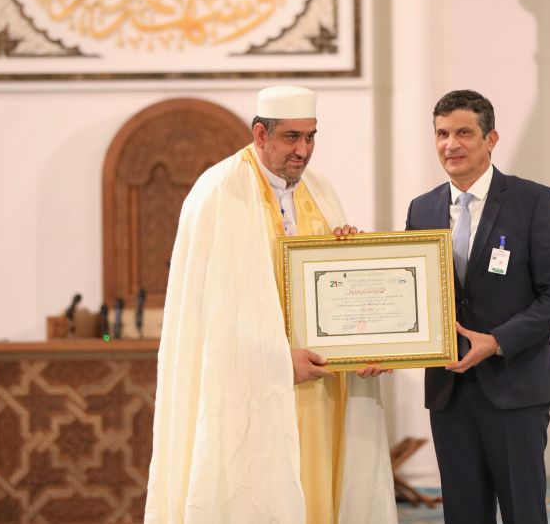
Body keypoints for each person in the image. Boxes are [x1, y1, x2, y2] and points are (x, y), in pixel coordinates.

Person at [146, 86, 397, 524]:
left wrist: (360, 332)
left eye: (311, 137)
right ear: (261, 134)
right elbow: (215, 314)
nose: (304, 150)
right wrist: (278, 360)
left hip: (320, 388)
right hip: (250, 391)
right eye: (292, 137)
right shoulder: (219, 192)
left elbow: (336, 293)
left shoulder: (319, 189)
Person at [405, 89, 550, 524]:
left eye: (464, 133)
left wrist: (497, 341)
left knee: (523, 512)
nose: (451, 144)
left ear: (491, 139)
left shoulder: (532, 200)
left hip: (514, 386)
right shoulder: (421, 209)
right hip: (449, 391)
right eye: (442, 134)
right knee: (463, 514)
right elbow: (411, 295)